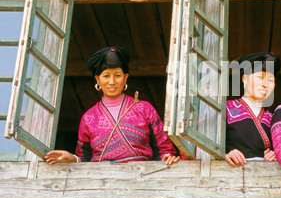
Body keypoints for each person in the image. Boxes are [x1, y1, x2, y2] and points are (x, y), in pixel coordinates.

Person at [45, 46, 181, 165]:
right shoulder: (89, 117)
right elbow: (84, 159)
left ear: (125, 77)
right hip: (101, 184)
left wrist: (168, 158)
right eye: (106, 76)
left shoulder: (145, 109)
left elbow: (164, 149)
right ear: (97, 79)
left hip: (142, 178)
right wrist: (73, 159)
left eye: (117, 75)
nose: (112, 81)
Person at [224, 52, 281, 167]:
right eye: (260, 77)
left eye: (270, 80)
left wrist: (277, 154)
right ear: (245, 79)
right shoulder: (225, 109)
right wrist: (223, 154)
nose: (265, 84)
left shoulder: (275, 118)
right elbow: (204, 145)